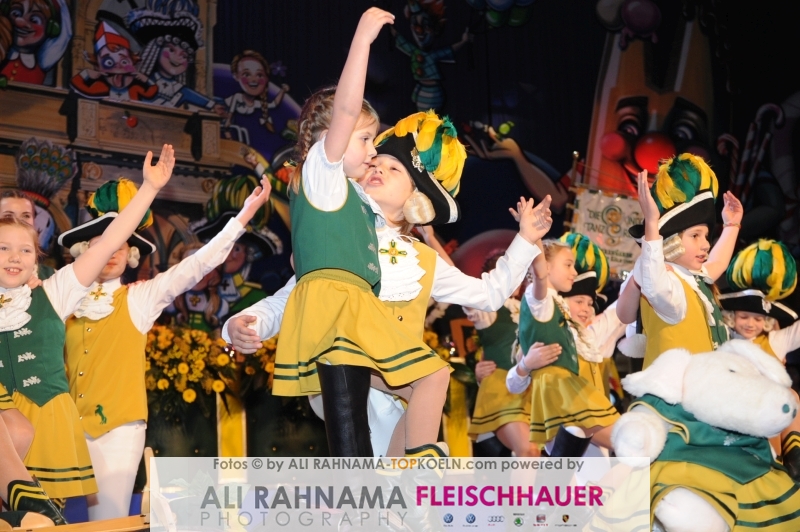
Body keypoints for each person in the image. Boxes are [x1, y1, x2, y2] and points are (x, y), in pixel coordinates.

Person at [57, 176, 269, 520]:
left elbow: (195, 266)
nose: (111, 252)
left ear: (131, 255)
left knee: (106, 521)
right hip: (63, 428)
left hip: (117, 430)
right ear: (85, 252)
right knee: (49, 520)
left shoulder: (139, 298)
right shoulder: (61, 298)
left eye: (120, 245)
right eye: (102, 244)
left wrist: (242, 217)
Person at [0, 144, 173, 515]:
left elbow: (109, 241)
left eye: (25, 250)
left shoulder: (55, 291)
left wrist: (149, 189)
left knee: (39, 520)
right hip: (6, 421)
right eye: (3, 248)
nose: (15, 257)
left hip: (44, 422)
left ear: (37, 258)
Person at [616, 157, 743, 367]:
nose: (706, 245)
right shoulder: (663, 280)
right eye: (695, 236)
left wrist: (732, 225)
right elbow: (628, 311)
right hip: (673, 386)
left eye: (706, 236)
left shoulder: (693, 279)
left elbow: (718, 262)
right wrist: (652, 223)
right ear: (671, 241)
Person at [719, 239, 800, 480]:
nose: (750, 324)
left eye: (757, 319)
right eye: (744, 316)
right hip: (732, 411)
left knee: (789, 397)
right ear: (732, 316)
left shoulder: (776, 340)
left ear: (765, 321)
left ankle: (792, 456)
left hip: (769, 415)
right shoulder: (723, 338)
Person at [465, 251, 539, 457]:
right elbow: (459, 286)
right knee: (528, 451)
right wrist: (431, 238)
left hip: (532, 393)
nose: (517, 279)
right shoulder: (490, 309)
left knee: (537, 458)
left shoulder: (532, 308)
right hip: (502, 391)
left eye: (518, 273)